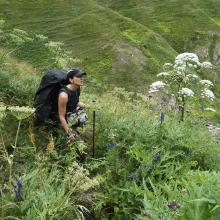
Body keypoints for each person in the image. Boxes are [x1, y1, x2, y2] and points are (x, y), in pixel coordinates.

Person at [58, 68, 86, 141]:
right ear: (71, 80)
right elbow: (61, 116)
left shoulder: (77, 88)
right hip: (65, 120)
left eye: (82, 77)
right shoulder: (63, 95)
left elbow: (74, 101)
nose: (82, 79)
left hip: (72, 115)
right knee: (79, 142)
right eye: (79, 77)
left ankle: (76, 129)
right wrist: (69, 132)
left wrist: (81, 104)